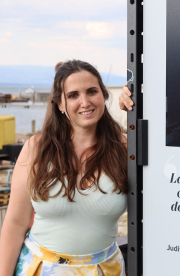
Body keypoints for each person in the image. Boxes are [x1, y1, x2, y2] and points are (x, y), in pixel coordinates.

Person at [0, 60, 128, 275]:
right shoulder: (36, 149)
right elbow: (14, 223)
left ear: (104, 96)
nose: (85, 102)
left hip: (105, 269)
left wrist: (141, 106)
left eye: (91, 91)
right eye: (73, 95)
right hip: (39, 268)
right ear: (60, 104)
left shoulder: (124, 148)